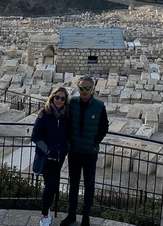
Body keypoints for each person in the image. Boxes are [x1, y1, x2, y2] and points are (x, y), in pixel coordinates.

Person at [60, 75, 108, 226]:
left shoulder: (99, 106)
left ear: (92, 89)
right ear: (78, 89)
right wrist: (43, 111)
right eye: (82, 88)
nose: (84, 91)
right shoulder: (72, 103)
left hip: (90, 153)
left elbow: (104, 128)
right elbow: (60, 113)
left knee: (89, 184)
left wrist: (95, 142)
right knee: (72, 184)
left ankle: (86, 216)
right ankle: (71, 214)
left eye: (87, 88)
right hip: (74, 152)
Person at [32, 85, 71, 226]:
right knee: (50, 186)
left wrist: (66, 147)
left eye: (62, 98)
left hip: (60, 157)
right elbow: (35, 136)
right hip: (47, 157)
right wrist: (47, 150)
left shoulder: (67, 115)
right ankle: (44, 215)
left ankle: (46, 209)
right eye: (57, 97)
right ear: (52, 98)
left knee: (53, 186)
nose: (59, 100)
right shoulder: (44, 115)